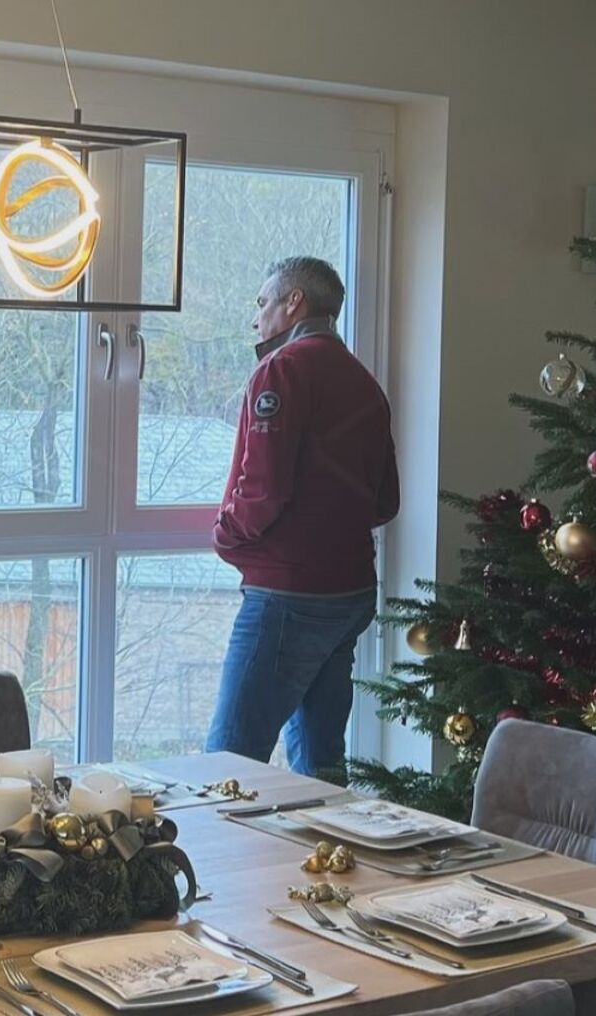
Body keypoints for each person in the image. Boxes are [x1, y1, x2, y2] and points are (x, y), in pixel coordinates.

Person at [205, 256, 398, 776]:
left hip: (288, 593)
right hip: (351, 593)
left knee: (227, 764)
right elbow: (386, 501)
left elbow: (263, 489)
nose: (256, 318)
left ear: (295, 303)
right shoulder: (364, 382)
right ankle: (326, 833)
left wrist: (227, 535)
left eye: (263, 302)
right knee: (320, 764)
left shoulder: (282, 370)